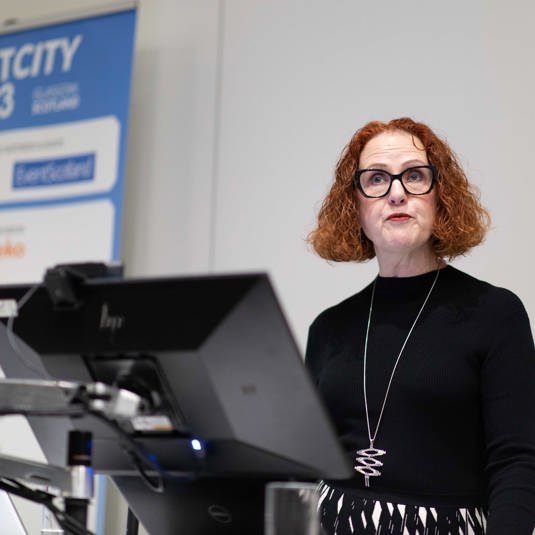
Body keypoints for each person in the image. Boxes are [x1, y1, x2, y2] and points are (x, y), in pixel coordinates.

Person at [305, 117, 535, 534]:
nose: (396, 193)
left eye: (414, 176)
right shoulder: (328, 327)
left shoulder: (495, 314)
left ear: (439, 197)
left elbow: (518, 461)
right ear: (354, 205)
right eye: (376, 179)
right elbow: (303, 463)